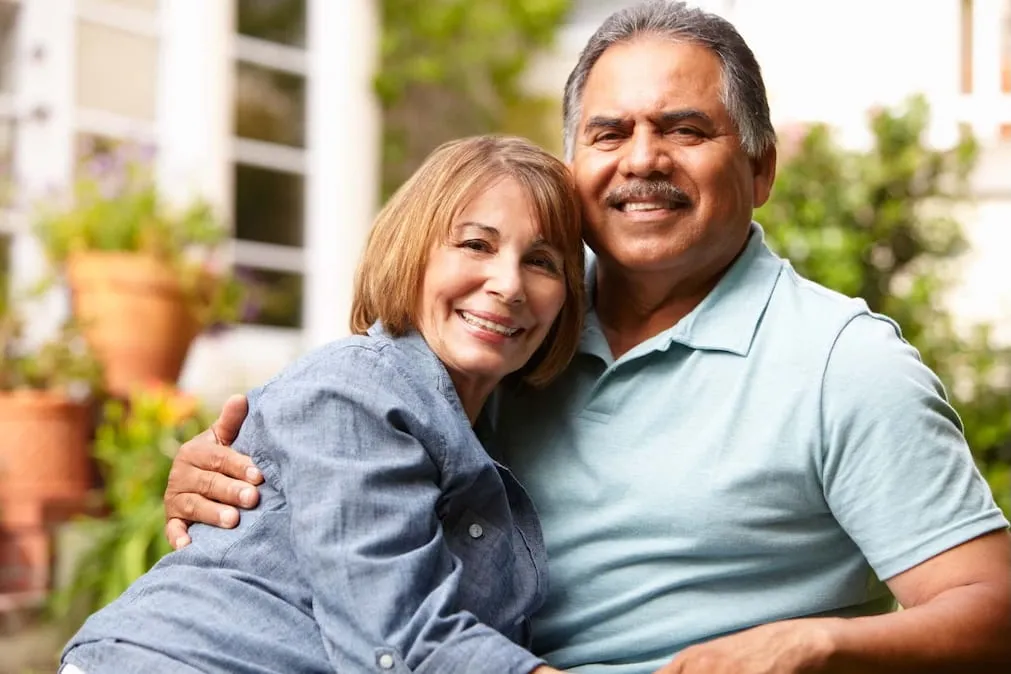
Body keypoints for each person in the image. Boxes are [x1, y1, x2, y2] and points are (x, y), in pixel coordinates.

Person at [163, 2, 1011, 673]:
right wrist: (237, 470)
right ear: (574, 165)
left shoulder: (842, 365)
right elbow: (352, 438)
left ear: (760, 169)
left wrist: (815, 646)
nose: (642, 159)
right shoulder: (509, 333)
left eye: (685, 129)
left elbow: (992, 610)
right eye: (608, 133)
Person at [60, 135, 586, 674]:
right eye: (477, 245)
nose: (509, 284)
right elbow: (398, 640)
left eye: (542, 262)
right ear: (412, 251)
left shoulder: (479, 428)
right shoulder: (355, 388)